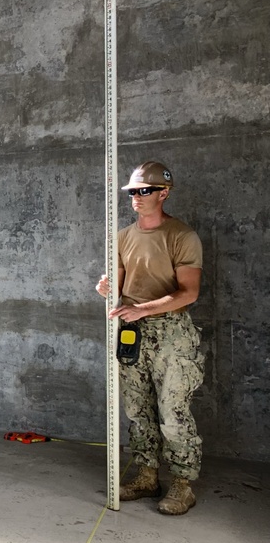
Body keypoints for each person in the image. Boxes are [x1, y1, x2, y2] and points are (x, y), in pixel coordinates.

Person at [95, 161, 205, 515]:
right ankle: (146, 477)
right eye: (133, 192)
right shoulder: (123, 237)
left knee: (171, 412)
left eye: (144, 191)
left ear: (164, 193)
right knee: (138, 410)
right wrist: (106, 288)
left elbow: (189, 292)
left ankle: (183, 484)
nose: (137, 198)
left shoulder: (182, 236)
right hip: (132, 331)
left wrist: (145, 309)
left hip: (171, 333)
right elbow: (121, 284)